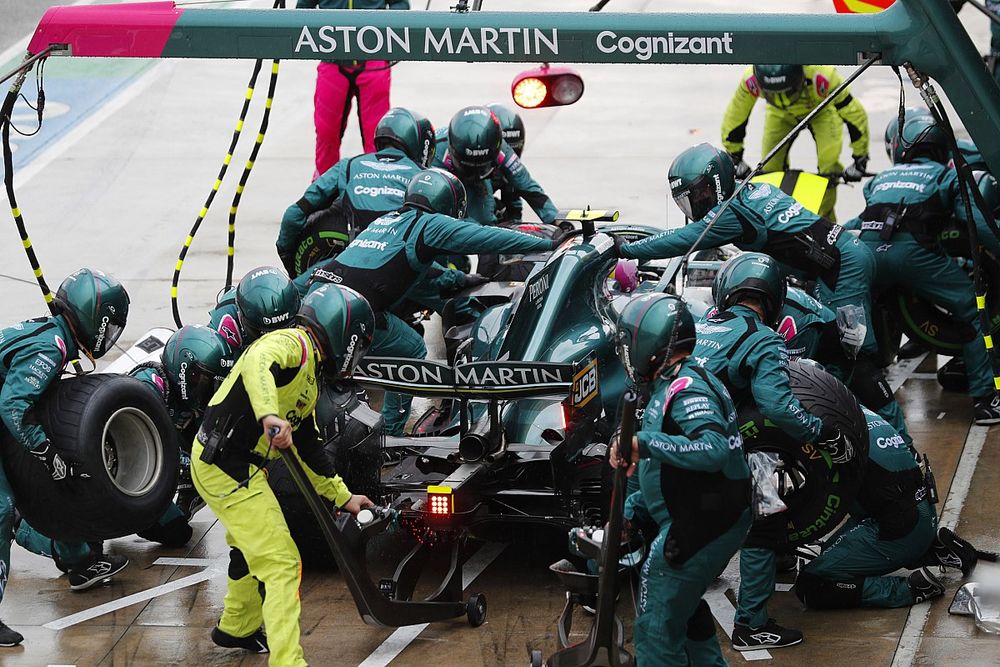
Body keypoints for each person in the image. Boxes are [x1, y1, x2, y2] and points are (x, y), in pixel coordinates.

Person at [620, 142, 910, 443]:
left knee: (855, 355)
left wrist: (626, 248)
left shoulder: (730, 214)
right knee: (836, 349)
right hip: (837, 262)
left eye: (700, 194)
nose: (696, 203)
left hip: (841, 269)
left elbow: (683, 239)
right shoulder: (753, 190)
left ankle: (888, 436)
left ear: (717, 184)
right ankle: (836, 406)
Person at [192, 283, 375, 664]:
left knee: (252, 546)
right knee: (282, 563)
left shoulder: (309, 376)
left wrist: (344, 498)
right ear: (346, 333)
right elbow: (258, 359)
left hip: (237, 467)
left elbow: (309, 448)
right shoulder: (295, 344)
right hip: (225, 468)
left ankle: (236, 627)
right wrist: (268, 414)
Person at [307, 168, 557, 435]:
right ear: (448, 204)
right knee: (411, 349)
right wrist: (546, 243)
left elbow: (417, 274)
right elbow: (485, 236)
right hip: (351, 307)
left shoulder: (387, 219)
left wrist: (459, 278)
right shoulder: (429, 223)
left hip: (316, 296)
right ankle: (389, 437)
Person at [690, 253, 855, 651]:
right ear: (775, 298)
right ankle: (752, 625)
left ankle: (600, 581)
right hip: (715, 443)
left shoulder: (699, 326)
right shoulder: (763, 338)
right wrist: (824, 434)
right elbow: (778, 408)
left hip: (664, 433)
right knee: (766, 520)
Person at [613, 292, 751, 666]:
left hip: (703, 522)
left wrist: (646, 442)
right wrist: (633, 507)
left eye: (629, 342)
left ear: (651, 343)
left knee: (656, 624)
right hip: (702, 513)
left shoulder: (688, 388)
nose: (626, 352)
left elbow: (712, 449)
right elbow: (665, 467)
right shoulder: (668, 384)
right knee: (683, 610)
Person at [0, 268, 131, 647]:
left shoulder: (54, 336)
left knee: (28, 493)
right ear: (96, 317)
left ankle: (77, 561)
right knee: (4, 508)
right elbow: (13, 408)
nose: (110, 337)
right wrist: (49, 455)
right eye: (111, 327)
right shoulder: (50, 347)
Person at [842, 113, 1000, 424]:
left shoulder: (879, 179)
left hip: (868, 252)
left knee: (855, 321)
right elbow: (974, 224)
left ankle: (859, 398)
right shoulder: (946, 175)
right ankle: (985, 401)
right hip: (913, 254)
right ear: (942, 148)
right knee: (971, 306)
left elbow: (856, 223)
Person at [795, 402, 979, 610]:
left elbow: (811, 502)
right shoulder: (853, 408)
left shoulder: (823, 431)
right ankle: (933, 551)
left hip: (895, 527)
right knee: (827, 554)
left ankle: (911, 588)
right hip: (917, 514)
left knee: (813, 583)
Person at [277, 107, 436, 277]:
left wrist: (290, 263)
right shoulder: (427, 178)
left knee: (294, 296)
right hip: (404, 274)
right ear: (424, 146)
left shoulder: (348, 166)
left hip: (349, 270)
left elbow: (293, 215)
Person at [722, 64, 870, 220]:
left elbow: (854, 113)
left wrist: (860, 158)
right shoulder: (751, 79)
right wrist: (735, 156)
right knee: (769, 169)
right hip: (780, 113)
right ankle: (772, 220)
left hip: (821, 109)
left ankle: (824, 223)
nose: (784, 97)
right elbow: (736, 114)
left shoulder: (823, 76)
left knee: (829, 168)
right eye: (772, 94)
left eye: (789, 91)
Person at [130, 325, 236, 530]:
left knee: (177, 532)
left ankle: (190, 489)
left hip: (157, 465)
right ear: (185, 370)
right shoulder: (148, 386)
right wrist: (189, 461)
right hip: (122, 466)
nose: (210, 390)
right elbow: (138, 447)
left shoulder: (188, 400)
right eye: (204, 380)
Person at [296, 0, 409, 177]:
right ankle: (324, 189)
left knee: (377, 135)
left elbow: (400, 4)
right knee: (326, 132)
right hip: (333, 59)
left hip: (374, 59)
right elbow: (302, 9)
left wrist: (387, 35)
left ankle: (375, 185)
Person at [433, 105, 558, 228]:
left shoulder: (501, 148)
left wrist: (556, 220)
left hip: (482, 182)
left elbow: (526, 185)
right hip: (446, 180)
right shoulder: (436, 154)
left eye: (482, 165)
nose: (475, 172)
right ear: (452, 150)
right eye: (471, 166)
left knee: (485, 221)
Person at [209, 266, 301, 353]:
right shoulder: (224, 322)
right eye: (266, 334)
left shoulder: (302, 304)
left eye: (285, 329)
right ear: (241, 317)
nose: (277, 342)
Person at [486, 102, 528, 224]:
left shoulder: (509, 167)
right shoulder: (471, 160)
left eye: (513, 149)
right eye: (505, 148)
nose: (509, 153)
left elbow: (514, 197)